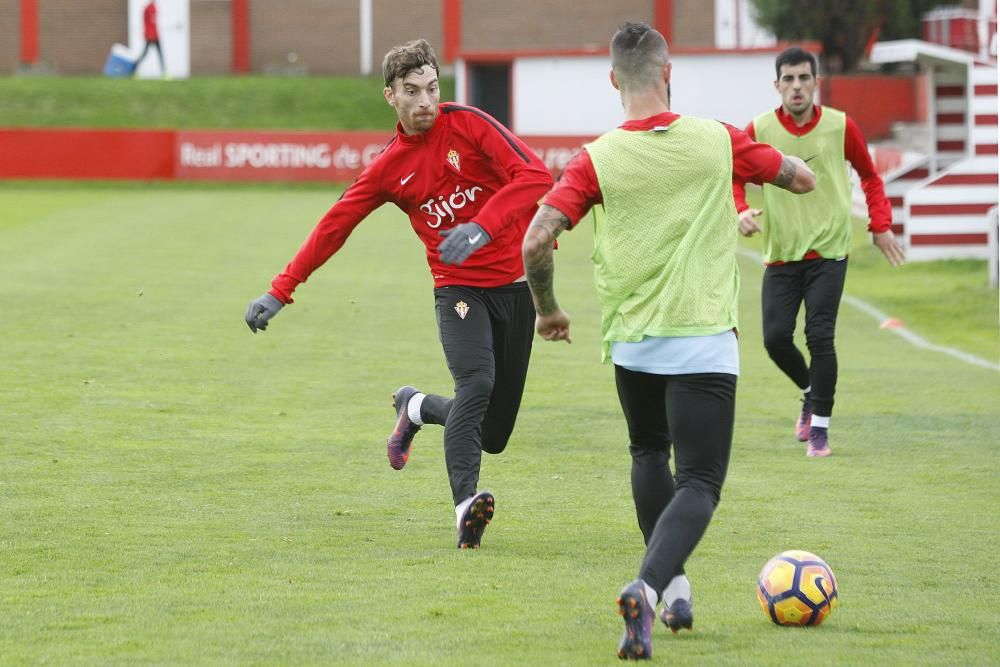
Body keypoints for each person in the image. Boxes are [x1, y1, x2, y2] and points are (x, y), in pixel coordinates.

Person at [521, 22, 815, 660]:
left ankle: (674, 588)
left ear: (613, 81)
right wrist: (781, 169)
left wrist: (547, 310)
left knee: (649, 455)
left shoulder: (595, 157)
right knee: (702, 481)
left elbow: (536, 240)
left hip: (632, 340)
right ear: (669, 73)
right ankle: (648, 589)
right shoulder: (715, 138)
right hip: (703, 334)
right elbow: (798, 178)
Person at [244, 39, 553, 550]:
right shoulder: (389, 167)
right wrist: (281, 291)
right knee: (476, 383)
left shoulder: (470, 124)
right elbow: (334, 226)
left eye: (432, 88)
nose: (426, 101)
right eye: (412, 91)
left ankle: (415, 408)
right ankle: (465, 509)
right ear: (391, 95)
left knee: (493, 434)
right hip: (457, 290)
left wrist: (480, 227)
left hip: (513, 286)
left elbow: (535, 176)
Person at [733, 47, 905, 458]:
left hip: (829, 251)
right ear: (777, 86)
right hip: (781, 253)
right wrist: (739, 211)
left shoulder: (840, 126)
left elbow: (870, 176)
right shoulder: (757, 129)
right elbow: (733, 176)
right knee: (775, 339)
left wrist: (879, 226)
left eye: (803, 78)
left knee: (819, 336)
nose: (796, 87)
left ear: (816, 83)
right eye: (788, 79)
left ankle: (820, 432)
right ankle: (811, 392)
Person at [133, 0, 166, 77]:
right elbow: (146, 22)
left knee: (160, 53)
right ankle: (133, 69)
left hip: (155, 35)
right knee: (145, 54)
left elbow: (154, 23)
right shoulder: (147, 8)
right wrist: (148, 34)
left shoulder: (154, 7)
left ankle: (164, 73)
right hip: (150, 35)